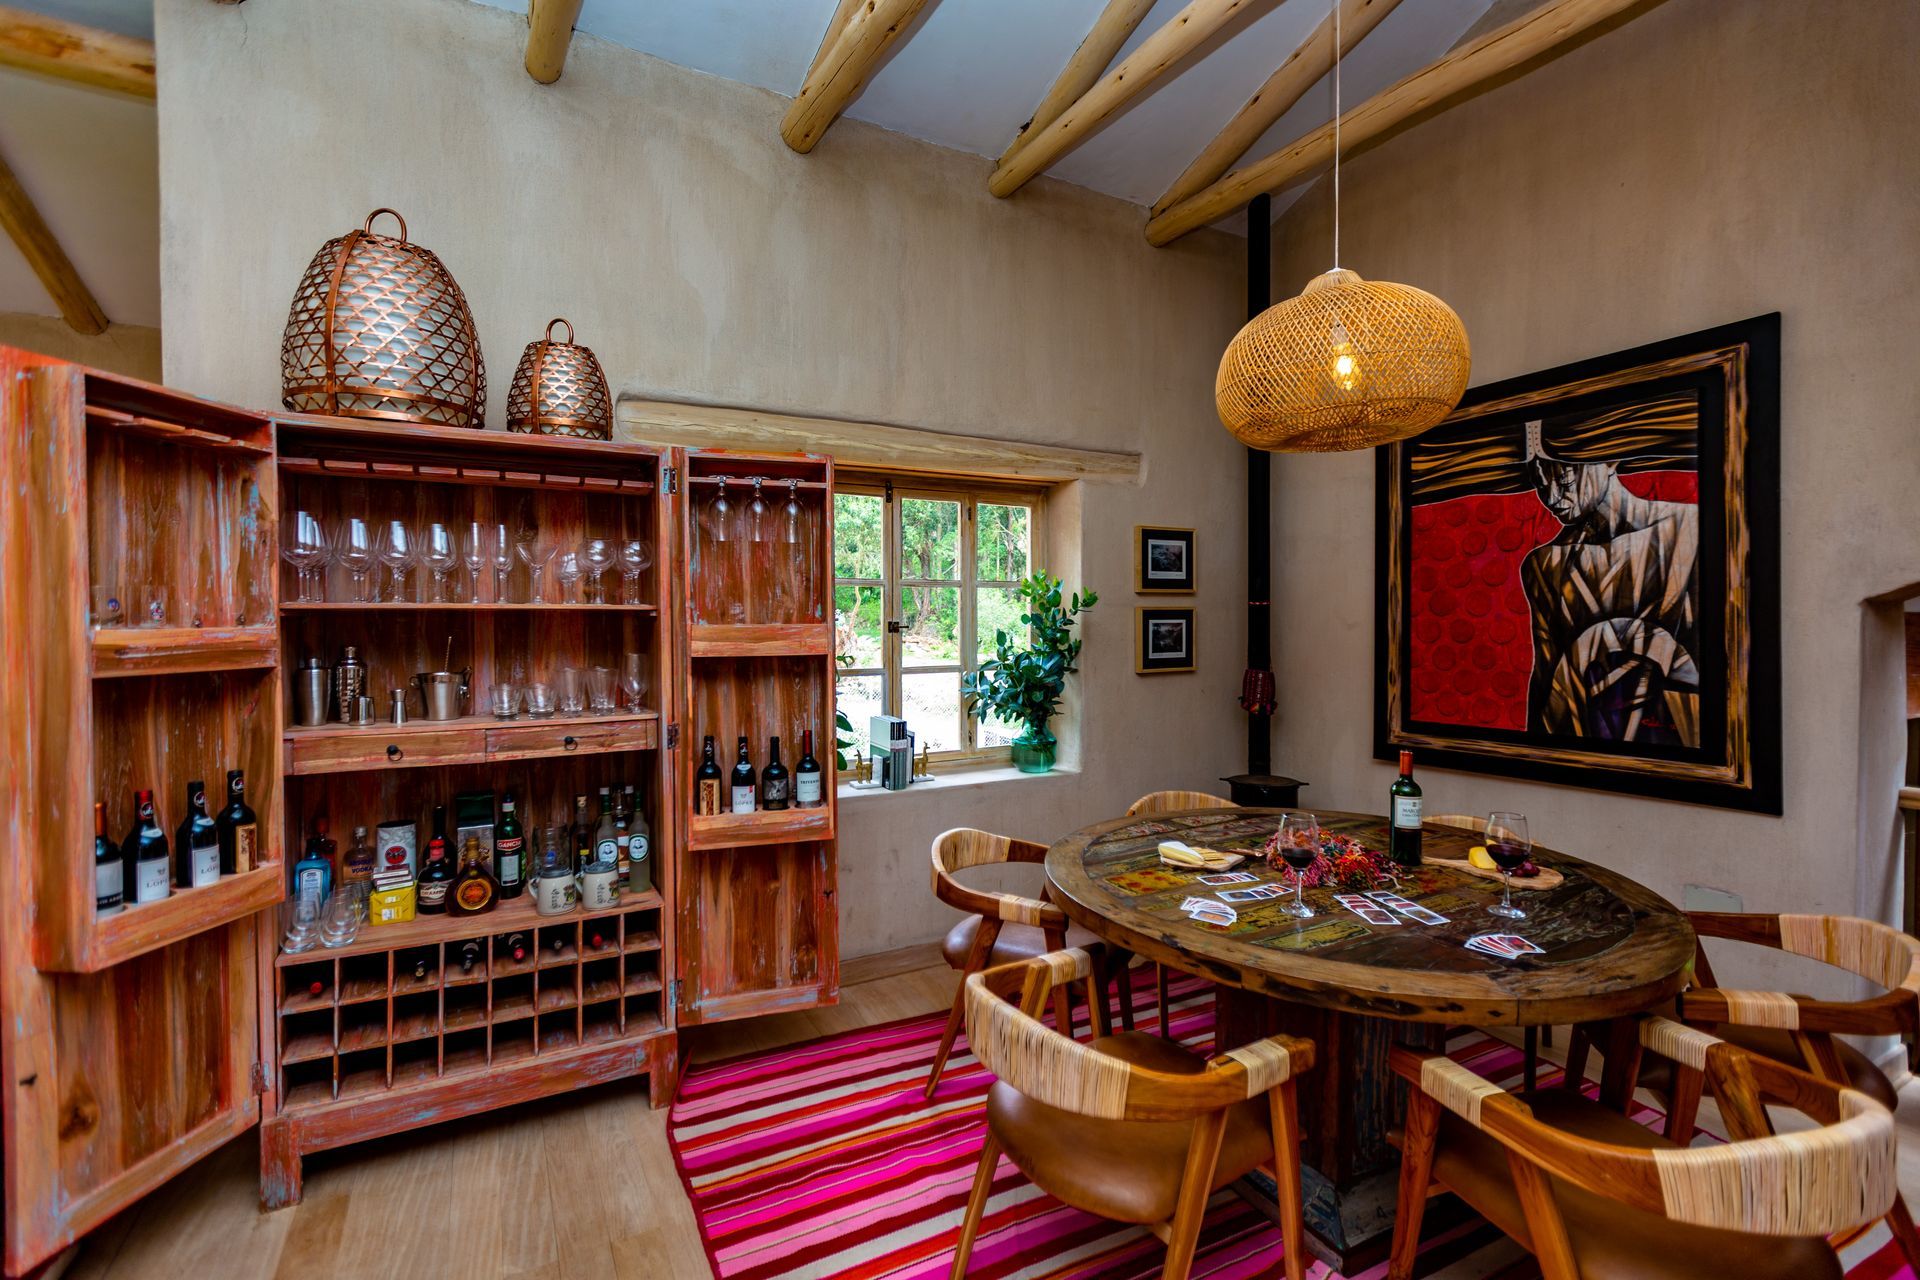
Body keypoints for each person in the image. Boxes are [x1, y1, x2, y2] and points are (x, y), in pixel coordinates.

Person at [1518, 419, 1700, 745]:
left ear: (1609, 459)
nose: (1552, 497)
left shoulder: (1690, 529)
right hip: (1580, 740)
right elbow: (1547, 677)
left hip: (1677, 739)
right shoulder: (1544, 565)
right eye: (1539, 484)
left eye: (1564, 476)